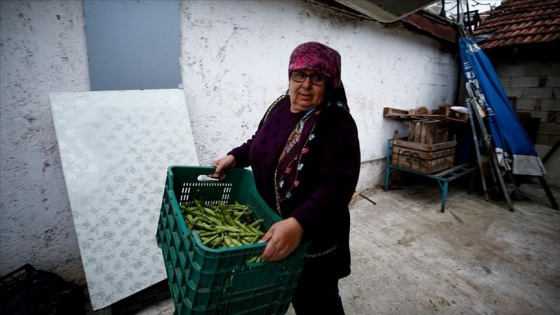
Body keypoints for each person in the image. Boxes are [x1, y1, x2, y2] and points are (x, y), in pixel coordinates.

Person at [210, 41, 360, 314]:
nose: (305, 85)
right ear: (289, 75)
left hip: (314, 240)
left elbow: (338, 186)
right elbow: (262, 141)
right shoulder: (280, 106)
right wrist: (235, 157)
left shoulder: (336, 123)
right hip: (272, 227)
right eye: (299, 75)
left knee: (316, 301)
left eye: (317, 78)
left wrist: (299, 224)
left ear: (331, 83)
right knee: (283, 292)